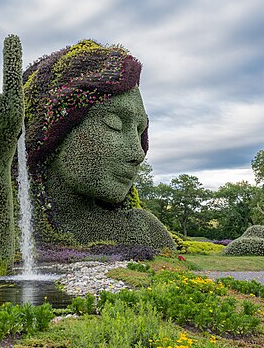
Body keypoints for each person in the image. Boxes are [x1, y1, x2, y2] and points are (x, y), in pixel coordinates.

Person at [23, 40, 175, 250]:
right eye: (114, 123)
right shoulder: (7, 227)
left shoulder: (144, 232)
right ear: (52, 131)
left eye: (140, 132)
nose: (138, 153)